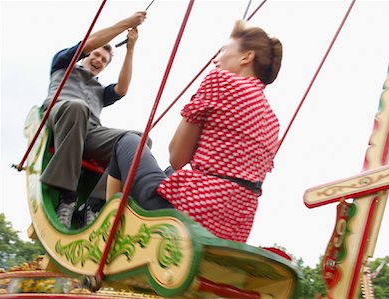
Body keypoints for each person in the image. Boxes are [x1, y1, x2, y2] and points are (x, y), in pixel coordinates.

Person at [106, 20, 282, 243]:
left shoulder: (221, 80)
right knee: (170, 172)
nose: (215, 59)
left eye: (223, 51)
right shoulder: (271, 119)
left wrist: (198, 100)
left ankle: (108, 233)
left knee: (129, 140)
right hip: (233, 231)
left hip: (190, 216)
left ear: (246, 57)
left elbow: (177, 157)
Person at [40, 11, 147, 228]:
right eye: (96, 55)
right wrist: (126, 23)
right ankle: (67, 197)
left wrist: (130, 48)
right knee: (78, 108)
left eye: (104, 60)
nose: (98, 60)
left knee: (138, 140)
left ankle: (96, 202)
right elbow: (87, 44)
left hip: (88, 133)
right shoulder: (63, 65)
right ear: (86, 56)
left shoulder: (100, 91)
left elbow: (122, 89)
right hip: (62, 118)